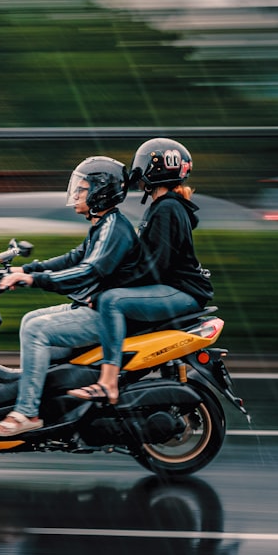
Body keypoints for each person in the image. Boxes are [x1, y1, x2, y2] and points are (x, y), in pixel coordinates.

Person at [0, 155, 143, 437]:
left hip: (105, 316)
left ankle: (27, 413)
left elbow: (86, 272)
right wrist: (27, 269)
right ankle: (52, 399)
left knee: (36, 329)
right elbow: (73, 258)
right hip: (94, 306)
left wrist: (34, 279)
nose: (77, 194)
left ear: (101, 191)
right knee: (31, 319)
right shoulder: (104, 224)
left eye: (83, 189)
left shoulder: (114, 229)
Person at [68, 138, 213, 404]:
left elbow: (154, 267)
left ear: (151, 168)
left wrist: (106, 289)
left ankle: (107, 383)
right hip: (175, 288)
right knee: (109, 297)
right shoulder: (164, 207)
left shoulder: (167, 208)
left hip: (181, 292)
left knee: (112, 301)